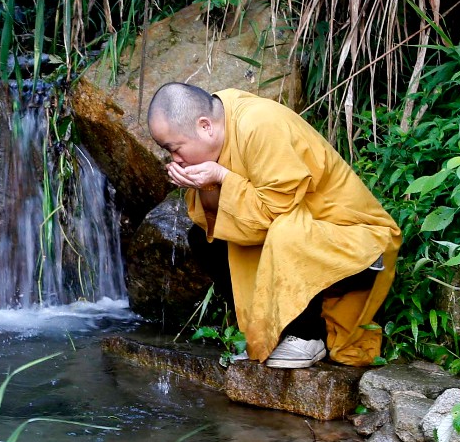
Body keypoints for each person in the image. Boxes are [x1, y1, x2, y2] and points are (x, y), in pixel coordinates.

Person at [147, 82, 401, 368]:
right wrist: (209, 184)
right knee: (206, 240)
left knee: (283, 230)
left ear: (205, 126)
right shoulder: (223, 126)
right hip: (301, 233)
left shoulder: (259, 124)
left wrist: (222, 176)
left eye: (175, 149)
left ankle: (307, 336)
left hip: (359, 244)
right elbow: (229, 221)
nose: (175, 160)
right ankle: (272, 334)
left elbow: (275, 212)